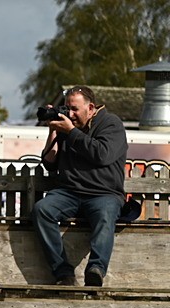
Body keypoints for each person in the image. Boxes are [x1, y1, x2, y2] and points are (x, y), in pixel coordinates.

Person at [33, 86, 128, 287]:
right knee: (42, 210)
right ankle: (63, 273)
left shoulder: (111, 124)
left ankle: (96, 270)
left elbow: (102, 155)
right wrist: (53, 130)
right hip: (69, 192)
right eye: (67, 108)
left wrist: (71, 132)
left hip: (104, 193)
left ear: (91, 107)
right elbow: (50, 163)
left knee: (105, 215)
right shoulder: (68, 127)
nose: (70, 114)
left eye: (75, 109)